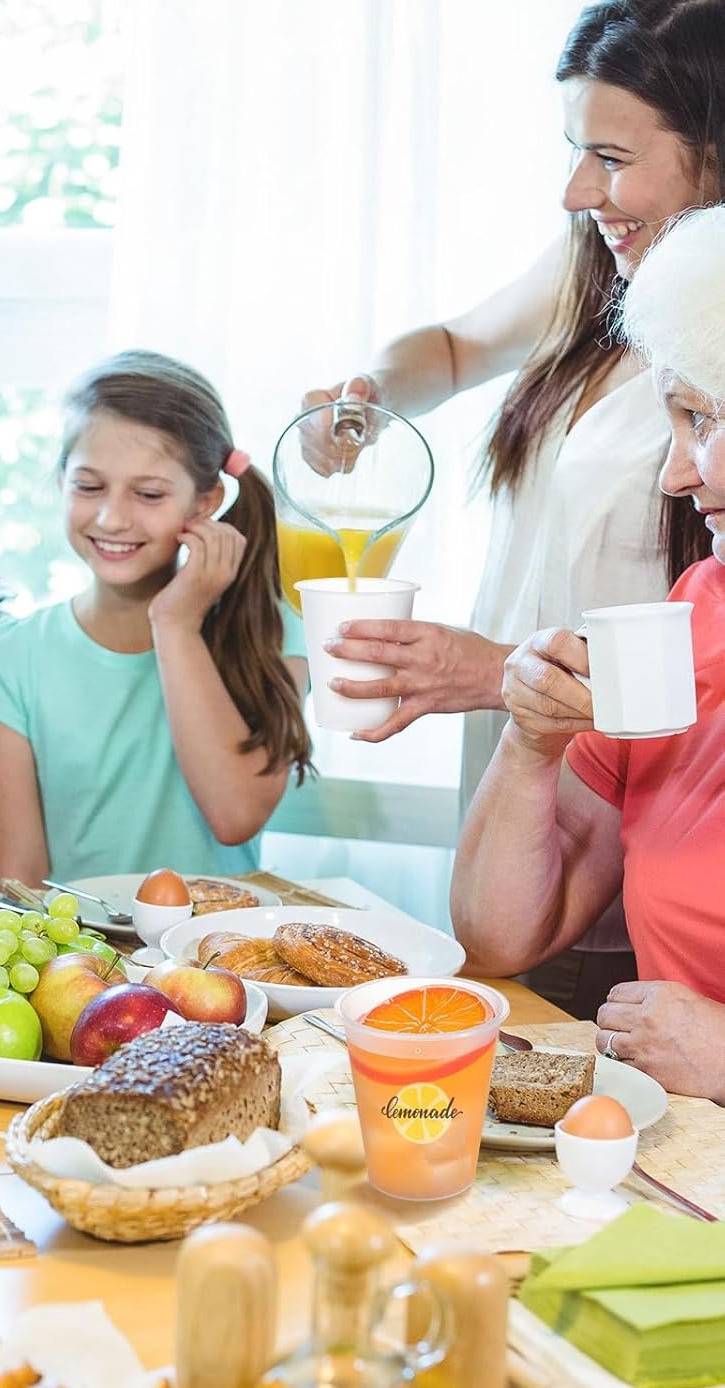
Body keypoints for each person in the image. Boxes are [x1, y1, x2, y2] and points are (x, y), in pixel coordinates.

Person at [301, 0, 725, 1012]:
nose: (580, 190)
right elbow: (448, 348)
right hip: (574, 781)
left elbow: (687, 672)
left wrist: (500, 673)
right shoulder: (609, 271)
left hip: (653, 832)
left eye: (612, 157)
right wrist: (367, 396)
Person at [451, 202, 725, 1104]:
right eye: (675, 422)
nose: (675, 474)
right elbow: (500, 939)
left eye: (704, 420)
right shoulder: (697, 613)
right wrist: (532, 743)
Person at [0, 350, 310, 887]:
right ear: (61, 482)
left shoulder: (271, 632)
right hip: (73, 960)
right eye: (89, 486)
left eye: (148, 494)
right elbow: (17, 888)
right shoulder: (7, 661)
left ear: (206, 501)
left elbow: (236, 817)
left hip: (216, 956)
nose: (112, 518)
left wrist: (175, 624)